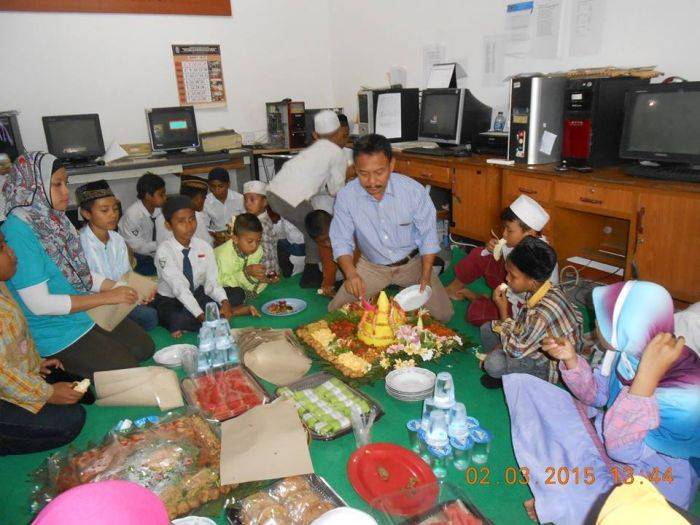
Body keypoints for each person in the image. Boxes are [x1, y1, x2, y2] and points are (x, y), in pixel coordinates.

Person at [503, 281, 700, 524]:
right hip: (612, 442)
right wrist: (572, 360)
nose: (596, 325)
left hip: (655, 481)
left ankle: (561, 503)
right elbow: (598, 395)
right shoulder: (629, 353)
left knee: (581, 500)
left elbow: (623, 450)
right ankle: (562, 499)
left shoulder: (684, 390)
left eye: (603, 321)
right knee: (530, 389)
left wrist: (644, 382)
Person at [1, 152, 154, 380]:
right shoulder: (18, 230)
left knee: (144, 348)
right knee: (127, 369)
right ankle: (56, 369)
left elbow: (79, 273)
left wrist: (120, 287)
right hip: (54, 330)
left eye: (66, 183)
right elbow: (40, 305)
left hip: (81, 313)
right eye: (57, 184)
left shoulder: (55, 219)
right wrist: (109, 297)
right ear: (33, 185)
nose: (66, 192)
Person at [328, 134, 453, 322]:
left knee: (444, 315)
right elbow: (340, 241)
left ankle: (388, 304)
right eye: (363, 173)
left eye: (379, 172)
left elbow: (428, 237)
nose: (372, 182)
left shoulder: (413, 191)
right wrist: (351, 274)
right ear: (355, 169)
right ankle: (380, 303)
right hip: (372, 267)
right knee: (337, 314)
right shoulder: (346, 196)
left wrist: (425, 275)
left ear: (392, 165)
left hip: (412, 264)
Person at [0, 231, 86, 455]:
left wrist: (37, 363)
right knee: (71, 420)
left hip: (17, 376)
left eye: (6, 244)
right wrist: (46, 393)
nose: (11, 253)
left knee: (82, 392)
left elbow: (13, 342)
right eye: (2, 249)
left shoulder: (3, 287)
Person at [480, 236, 582, 387]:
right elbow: (523, 327)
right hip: (533, 342)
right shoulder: (544, 289)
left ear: (532, 281)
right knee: (487, 329)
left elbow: (515, 350)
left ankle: (510, 376)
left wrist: (503, 310)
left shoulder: (541, 314)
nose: (507, 278)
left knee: (493, 364)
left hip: (550, 366)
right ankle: (507, 369)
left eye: (513, 276)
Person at [445, 194, 557, 326]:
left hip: (519, 302)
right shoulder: (514, 243)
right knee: (480, 254)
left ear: (530, 234)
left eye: (509, 230)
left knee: (477, 315)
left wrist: (504, 307)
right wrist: (489, 248)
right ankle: (453, 289)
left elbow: (532, 305)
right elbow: (489, 258)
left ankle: (477, 298)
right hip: (509, 283)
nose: (504, 234)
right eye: (504, 228)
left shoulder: (539, 259)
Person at [267, 110, 348, 286]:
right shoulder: (337, 153)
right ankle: (311, 278)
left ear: (315, 135)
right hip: (288, 198)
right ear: (341, 132)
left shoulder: (315, 148)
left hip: (273, 193)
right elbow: (337, 191)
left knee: (311, 229)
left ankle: (288, 250)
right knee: (317, 232)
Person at [77, 180, 158, 331]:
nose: (113, 215)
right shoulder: (79, 243)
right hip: (97, 304)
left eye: (115, 209)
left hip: (122, 296)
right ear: (86, 213)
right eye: (104, 210)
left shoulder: (117, 239)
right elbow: (86, 284)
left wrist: (141, 290)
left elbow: (126, 275)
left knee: (156, 305)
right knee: (147, 317)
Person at [153, 196, 240, 337]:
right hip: (171, 299)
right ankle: (180, 321)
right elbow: (179, 289)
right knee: (177, 318)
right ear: (168, 225)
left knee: (236, 294)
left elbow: (212, 282)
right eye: (181, 221)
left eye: (192, 219)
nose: (189, 226)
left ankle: (198, 319)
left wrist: (224, 302)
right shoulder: (164, 251)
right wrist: (202, 318)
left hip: (196, 293)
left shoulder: (203, 246)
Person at [214, 212, 274, 311]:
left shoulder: (258, 250)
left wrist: (263, 278)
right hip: (217, 286)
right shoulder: (223, 256)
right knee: (236, 295)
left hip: (238, 282)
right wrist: (246, 272)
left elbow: (252, 272)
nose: (255, 246)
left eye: (258, 240)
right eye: (250, 241)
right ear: (235, 239)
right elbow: (220, 282)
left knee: (259, 285)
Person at [118, 172, 167, 276]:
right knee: (153, 272)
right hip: (136, 255)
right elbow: (137, 247)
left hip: (155, 251)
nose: (165, 197)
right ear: (148, 196)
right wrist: (161, 244)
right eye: (161, 194)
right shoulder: (133, 215)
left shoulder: (161, 210)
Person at [242, 180, 282, 277]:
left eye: (252, 199)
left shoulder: (261, 224)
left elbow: (267, 255)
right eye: (245, 200)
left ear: (265, 202)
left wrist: (269, 276)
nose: (247, 204)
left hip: (266, 274)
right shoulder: (257, 219)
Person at [305, 209, 345, 297]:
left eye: (328, 238)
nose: (328, 244)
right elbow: (328, 264)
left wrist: (351, 279)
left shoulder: (348, 230)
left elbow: (357, 264)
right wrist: (328, 284)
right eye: (321, 241)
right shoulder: (324, 244)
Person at [203, 167, 244, 245]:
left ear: (228, 184)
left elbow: (246, 221)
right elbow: (204, 226)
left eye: (220, 186)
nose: (216, 190)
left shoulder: (239, 199)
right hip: (217, 237)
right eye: (213, 186)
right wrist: (214, 235)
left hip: (237, 235)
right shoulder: (206, 202)